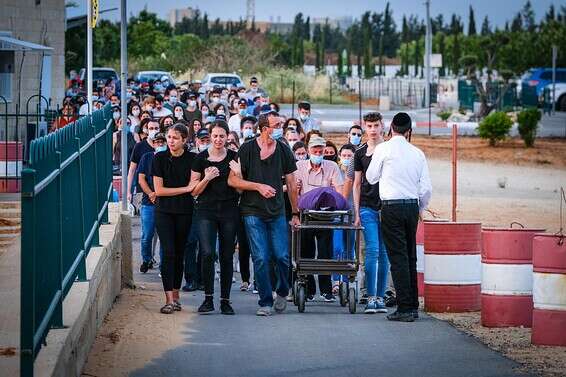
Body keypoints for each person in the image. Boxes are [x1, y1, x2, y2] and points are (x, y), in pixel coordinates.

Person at [228, 113, 300, 316]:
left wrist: (295, 212)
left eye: (281, 125)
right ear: (264, 128)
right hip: (252, 211)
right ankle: (265, 302)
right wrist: (258, 186)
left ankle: (283, 291)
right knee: (260, 257)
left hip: (277, 211)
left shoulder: (284, 150)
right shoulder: (247, 149)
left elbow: (292, 183)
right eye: (277, 125)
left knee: (282, 256)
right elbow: (233, 181)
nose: (281, 128)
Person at [366, 112, 432, 322]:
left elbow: (371, 177)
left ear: (390, 129)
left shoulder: (383, 149)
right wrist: (421, 207)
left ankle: (404, 308)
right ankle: (413, 304)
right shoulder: (418, 153)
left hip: (391, 206)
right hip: (412, 206)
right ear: (409, 131)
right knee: (410, 255)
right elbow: (426, 188)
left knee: (398, 257)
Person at [190, 120, 240, 315]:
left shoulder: (235, 157)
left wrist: (238, 174)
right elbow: (194, 191)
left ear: (227, 137)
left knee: (227, 255)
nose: (218, 139)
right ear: (210, 136)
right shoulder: (200, 159)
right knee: (208, 253)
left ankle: (225, 301)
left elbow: (239, 188)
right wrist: (207, 178)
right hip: (206, 210)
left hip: (229, 210)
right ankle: (208, 299)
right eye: (215, 135)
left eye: (222, 135)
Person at [152, 124, 196, 314]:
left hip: (185, 211)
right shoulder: (159, 158)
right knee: (168, 253)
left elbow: (195, 186)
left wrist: (191, 188)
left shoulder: (193, 159)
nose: (170, 141)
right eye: (169, 137)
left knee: (179, 254)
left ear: (184, 140)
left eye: (175, 138)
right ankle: (168, 299)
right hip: (164, 211)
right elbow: (159, 190)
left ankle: (176, 297)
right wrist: (186, 189)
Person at [294, 135, 344, 302]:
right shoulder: (299, 166)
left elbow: (339, 189)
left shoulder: (332, 167)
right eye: (314, 150)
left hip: (325, 215)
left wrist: (333, 194)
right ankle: (308, 289)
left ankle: (326, 290)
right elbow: (295, 189)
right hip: (306, 215)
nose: (317, 153)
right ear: (309, 151)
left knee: (325, 253)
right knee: (306, 253)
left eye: (320, 151)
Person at [353, 112, 389, 314]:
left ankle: (381, 297)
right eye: (369, 126)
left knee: (384, 253)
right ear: (364, 127)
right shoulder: (360, 153)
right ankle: (371, 296)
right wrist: (357, 212)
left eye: (376, 125)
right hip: (367, 206)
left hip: (387, 206)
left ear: (382, 126)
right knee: (372, 249)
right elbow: (357, 184)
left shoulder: (389, 150)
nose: (373, 130)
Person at [137, 132, 167, 273]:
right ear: (153, 144)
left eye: (163, 142)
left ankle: (163, 266)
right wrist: (150, 193)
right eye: (157, 142)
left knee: (163, 236)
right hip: (148, 202)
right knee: (147, 235)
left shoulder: (169, 158)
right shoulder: (146, 157)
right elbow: (141, 178)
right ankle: (146, 259)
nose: (160, 144)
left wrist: (160, 193)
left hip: (165, 201)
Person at [127, 119, 160, 204]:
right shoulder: (139, 146)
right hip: (142, 191)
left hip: (160, 191)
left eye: (156, 128)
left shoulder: (164, 145)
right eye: (151, 128)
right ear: (147, 130)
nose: (154, 130)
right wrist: (128, 191)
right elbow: (132, 170)